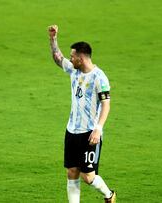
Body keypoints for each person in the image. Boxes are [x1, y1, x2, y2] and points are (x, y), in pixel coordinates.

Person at [48, 25, 116, 203]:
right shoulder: (73, 70)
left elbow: (106, 104)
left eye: (73, 56)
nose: (70, 59)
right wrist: (53, 39)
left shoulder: (99, 78)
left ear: (81, 58)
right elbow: (57, 58)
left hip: (89, 133)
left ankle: (109, 195)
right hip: (72, 130)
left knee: (88, 177)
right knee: (71, 171)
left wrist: (98, 129)